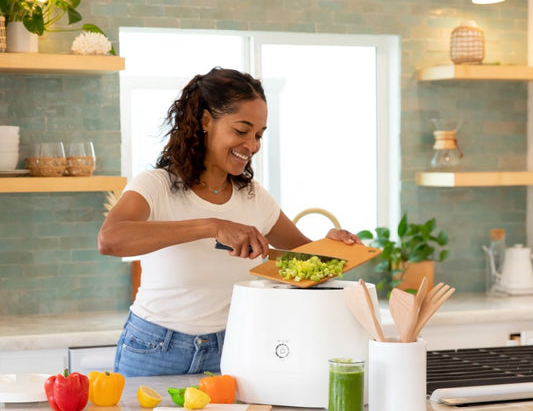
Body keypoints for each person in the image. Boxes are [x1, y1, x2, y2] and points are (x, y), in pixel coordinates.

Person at [98, 67, 362, 377]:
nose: (252, 145)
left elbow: (308, 258)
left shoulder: (253, 197)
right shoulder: (156, 185)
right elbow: (110, 240)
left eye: (259, 135)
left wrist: (332, 244)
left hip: (230, 349)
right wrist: (211, 225)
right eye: (241, 130)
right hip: (154, 348)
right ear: (207, 121)